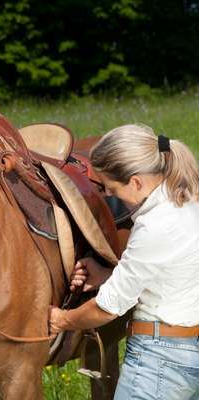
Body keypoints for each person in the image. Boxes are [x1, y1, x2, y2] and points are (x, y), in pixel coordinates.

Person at [49, 124, 199, 400]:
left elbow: (108, 308)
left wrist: (63, 320)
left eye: (111, 188)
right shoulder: (187, 203)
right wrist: (108, 274)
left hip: (158, 361)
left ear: (136, 182)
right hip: (185, 351)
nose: (108, 195)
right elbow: (166, 274)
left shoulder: (154, 225)